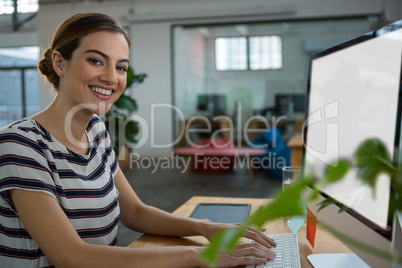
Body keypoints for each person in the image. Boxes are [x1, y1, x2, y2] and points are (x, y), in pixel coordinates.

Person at [0, 12, 276, 267]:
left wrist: (205, 227)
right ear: (60, 62)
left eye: (121, 67)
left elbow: (135, 211)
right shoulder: (21, 145)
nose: (111, 77)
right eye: (95, 60)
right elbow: (71, 256)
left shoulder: (95, 131)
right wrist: (198, 253)